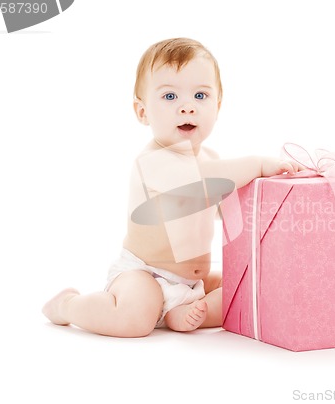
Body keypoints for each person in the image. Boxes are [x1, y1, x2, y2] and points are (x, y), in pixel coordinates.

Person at [42, 38, 301, 337]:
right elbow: (199, 183)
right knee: (134, 318)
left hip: (192, 283)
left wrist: (272, 196)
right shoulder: (153, 162)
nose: (187, 107)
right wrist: (256, 164)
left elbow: (222, 207)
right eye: (169, 97)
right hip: (143, 273)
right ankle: (68, 305)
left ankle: (180, 314)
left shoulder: (211, 160)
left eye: (200, 95)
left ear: (217, 107)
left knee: (244, 288)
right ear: (142, 112)